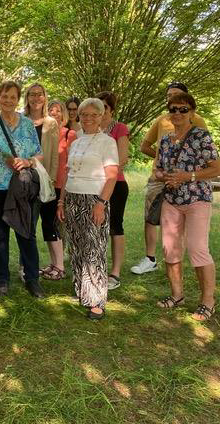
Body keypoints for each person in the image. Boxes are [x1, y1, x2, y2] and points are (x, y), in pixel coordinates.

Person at [0, 81, 45, 298]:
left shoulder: (27, 125)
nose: (8, 100)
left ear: (18, 99)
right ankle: (2, 279)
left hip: (20, 188)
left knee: (26, 234)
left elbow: (39, 154)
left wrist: (27, 161)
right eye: (4, 96)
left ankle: (32, 279)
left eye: (13, 97)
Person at [154, 92, 220, 321]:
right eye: (173, 109)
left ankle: (207, 302)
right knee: (170, 249)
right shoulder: (165, 140)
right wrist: (165, 177)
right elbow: (157, 170)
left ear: (192, 112)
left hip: (197, 200)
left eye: (183, 109)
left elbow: (216, 169)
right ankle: (177, 295)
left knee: (197, 249)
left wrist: (188, 176)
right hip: (171, 200)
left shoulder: (201, 136)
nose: (177, 113)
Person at [132, 82, 208, 275]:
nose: (175, 105)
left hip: (186, 185)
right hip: (159, 180)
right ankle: (150, 259)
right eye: (169, 97)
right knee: (150, 217)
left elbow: (206, 152)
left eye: (177, 96)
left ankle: (179, 259)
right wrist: (164, 161)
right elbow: (145, 146)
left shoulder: (197, 120)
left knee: (178, 225)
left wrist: (185, 171)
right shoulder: (161, 120)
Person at [57, 98, 118, 320]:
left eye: (94, 114)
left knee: (94, 248)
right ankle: (83, 291)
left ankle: (97, 300)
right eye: (84, 114)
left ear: (102, 116)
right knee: (77, 247)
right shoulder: (76, 142)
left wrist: (101, 203)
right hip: (72, 197)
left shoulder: (107, 142)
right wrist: (61, 201)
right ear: (79, 116)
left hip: (94, 199)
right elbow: (67, 175)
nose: (89, 118)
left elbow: (111, 177)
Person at [23, 84, 61, 280]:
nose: (36, 97)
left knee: (41, 222)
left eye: (40, 94)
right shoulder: (20, 120)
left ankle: (34, 268)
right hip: (22, 178)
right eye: (32, 94)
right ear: (27, 97)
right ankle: (26, 267)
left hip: (43, 179)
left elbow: (54, 154)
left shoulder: (51, 123)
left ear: (45, 98)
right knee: (25, 224)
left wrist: (52, 179)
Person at [95, 91, 130, 290]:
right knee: (96, 226)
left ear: (111, 110)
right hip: (92, 185)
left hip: (115, 184)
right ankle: (96, 267)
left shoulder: (119, 128)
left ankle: (115, 272)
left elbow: (122, 157)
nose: (101, 112)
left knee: (115, 226)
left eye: (104, 108)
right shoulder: (89, 128)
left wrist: (102, 169)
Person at [45, 100, 77, 280]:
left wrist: (63, 196)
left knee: (57, 225)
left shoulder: (69, 135)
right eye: (51, 110)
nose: (55, 113)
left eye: (58, 111)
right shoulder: (45, 134)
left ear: (63, 114)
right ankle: (54, 262)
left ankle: (60, 266)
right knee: (48, 224)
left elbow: (72, 166)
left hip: (62, 187)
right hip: (46, 185)